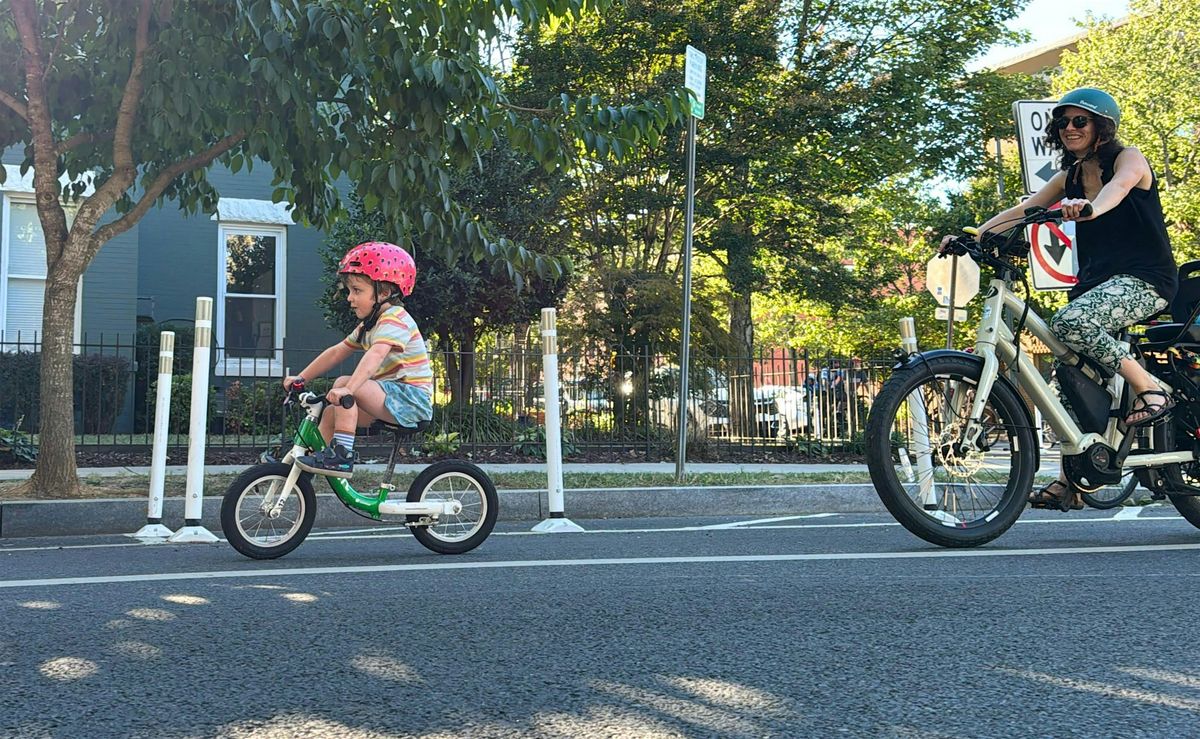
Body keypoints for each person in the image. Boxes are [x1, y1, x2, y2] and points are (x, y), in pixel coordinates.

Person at [945, 87, 1178, 511]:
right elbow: (1024, 211)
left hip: (1145, 280)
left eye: (1079, 121)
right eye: (1063, 122)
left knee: (1071, 323)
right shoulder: (1068, 178)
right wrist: (974, 236)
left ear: (1101, 126)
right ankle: (1073, 480)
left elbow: (1118, 189)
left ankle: (1150, 389)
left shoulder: (1129, 159)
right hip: (1095, 286)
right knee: (1069, 377)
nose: (1069, 128)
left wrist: (1090, 208)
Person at [282, 241, 434, 478]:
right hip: (389, 398)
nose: (350, 298)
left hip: (410, 401)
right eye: (349, 291)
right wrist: (301, 378)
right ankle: (308, 465)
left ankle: (342, 457)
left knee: (343, 384)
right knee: (331, 413)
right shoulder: (369, 325)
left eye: (357, 290)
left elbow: (376, 354)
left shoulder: (395, 319)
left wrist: (349, 388)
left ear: (383, 293)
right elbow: (337, 351)